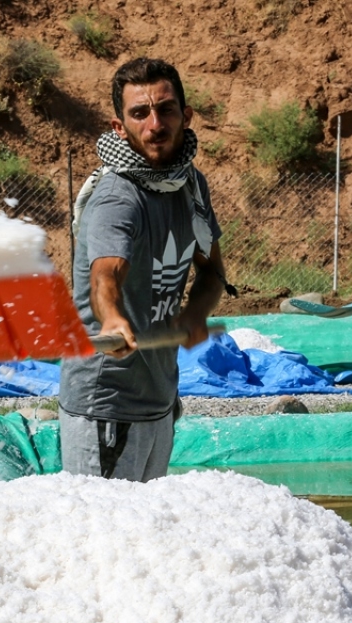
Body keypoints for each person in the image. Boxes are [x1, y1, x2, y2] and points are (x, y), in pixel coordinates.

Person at [59, 57, 226, 483]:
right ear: (119, 127)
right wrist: (112, 318)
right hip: (106, 405)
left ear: (186, 116)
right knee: (103, 524)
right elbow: (105, 275)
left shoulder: (191, 184)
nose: (155, 124)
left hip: (159, 399)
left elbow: (211, 272)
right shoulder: (118, 197)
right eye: (140, 113)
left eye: (166, 110)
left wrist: (193, 315)